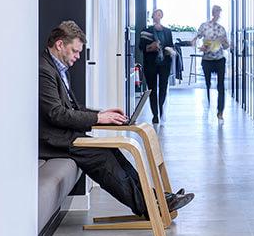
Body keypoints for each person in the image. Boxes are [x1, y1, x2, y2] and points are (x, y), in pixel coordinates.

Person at [39, 20, 194, 216]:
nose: (78, 56)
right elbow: (56, 114)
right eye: (75, 51)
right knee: (102, 158)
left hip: (65, 136)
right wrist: (98, 119)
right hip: (52, 142)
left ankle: (157, 198)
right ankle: (150, 207)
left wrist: (102, 114)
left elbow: (71, 108)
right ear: (60, 44)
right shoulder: (44, 70)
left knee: (112, 149)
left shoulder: (57, 68)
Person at [192, 5, 229, 120]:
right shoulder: (204, 26)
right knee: (208, 84)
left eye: (219, 12)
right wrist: (200, 46)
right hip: (207, 60)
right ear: (213, 13)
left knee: (220, 85)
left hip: (219, 59)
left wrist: (225, 43)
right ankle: (208, 102)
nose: (218, 14)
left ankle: (220, 111)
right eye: (216, 12)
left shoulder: (221, 29)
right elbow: (196, 38)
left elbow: (226, 46)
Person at [141, 9, 174, 124]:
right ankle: (155, 114)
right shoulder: (146, 31)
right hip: (150, 64)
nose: (158, 16)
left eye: (160, 14)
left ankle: (161, 108)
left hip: (165, 63)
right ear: (153, 16)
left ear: (162, 16)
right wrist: (151, 47)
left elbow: (171, 46)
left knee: (163, 87)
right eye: (156, 14)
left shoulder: (167, 31)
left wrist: (169, 51)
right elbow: (142, 47)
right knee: (152, 89)